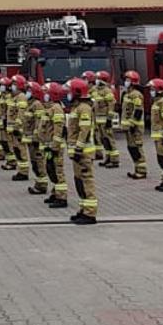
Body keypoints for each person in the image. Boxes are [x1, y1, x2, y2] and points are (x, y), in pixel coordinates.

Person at [66, 77, 99, 224]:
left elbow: (84, 130)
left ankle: (90, 214)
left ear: (77, 92)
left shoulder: (84, 108)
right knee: (79, 182)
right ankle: (83, 209)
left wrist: (78, 148)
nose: (67, 93)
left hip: (83, 153)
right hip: (78, 153)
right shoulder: (77, 107)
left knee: (86, 182)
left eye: (70, 91)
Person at [43, 81, 70, 208]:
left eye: (46, 92)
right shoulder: (50, 107)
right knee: (51, 170)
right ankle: (55, 193)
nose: (44, 95)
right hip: (49, 145)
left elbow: (58, 130)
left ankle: (62, 197)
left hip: (55, 147)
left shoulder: (57, 109)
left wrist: (54, 146)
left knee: (58, 171)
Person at [120, 70, 147, 179]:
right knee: (132, 148)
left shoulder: (136, 95)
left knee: (137, 148)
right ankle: (137, 169)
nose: (125, 82)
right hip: (129, 127)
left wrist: (132, 124)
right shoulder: (127, 94)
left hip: (135, 127)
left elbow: (138, 111)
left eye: (127, 80)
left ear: (133, 82)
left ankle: (142, 171)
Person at [26, 79, 50, 195]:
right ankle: (39, 184)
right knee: (35, 163)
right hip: (31, 139)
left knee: (39, 162)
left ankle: (42, 186)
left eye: (29, 90)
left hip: (36, 140)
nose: (27, 92)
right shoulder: (30, 104)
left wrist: (36, 138)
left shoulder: (37, 105)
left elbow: (38, 123)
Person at [91, 70, 120, 167]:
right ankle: (108, 158)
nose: (96, 80)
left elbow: (111, 105)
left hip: (105, 120)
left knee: (109, 139)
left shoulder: (107, 91)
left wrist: (109, 119)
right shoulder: (95, 90)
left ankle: (114, 160)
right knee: (104, 140)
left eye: (98, 78)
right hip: (98, 120)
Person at [8, 75, 31, 181]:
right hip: (14, 129)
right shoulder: (14, 97)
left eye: (14, 84)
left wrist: (17, 127)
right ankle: (21, 170)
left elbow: (21, 113)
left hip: (19, 129)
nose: (12, 86)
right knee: (17, 150)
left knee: (21, 150)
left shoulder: (21, 97)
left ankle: (24, 172)